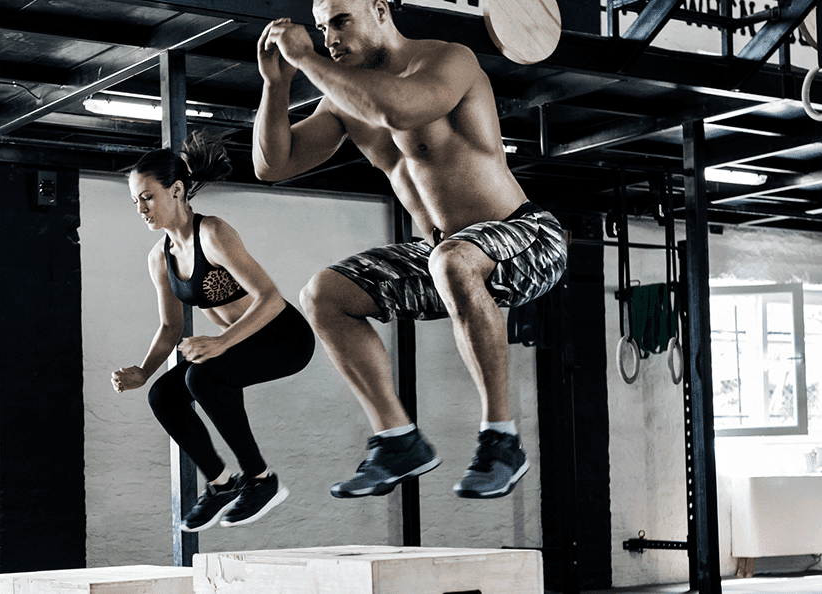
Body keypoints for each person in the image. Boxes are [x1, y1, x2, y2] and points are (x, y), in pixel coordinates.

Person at [253, 0, 568, 500]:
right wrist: (277, 84)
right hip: (445, 255)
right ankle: (399, 440)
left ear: (380, 10)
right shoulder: (342, 98)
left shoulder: (448, 60)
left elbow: (396, 108)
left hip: (525, 238)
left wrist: (307, 61)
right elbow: (273, 165)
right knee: (322, 295)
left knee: (451, 260)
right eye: (320, 29)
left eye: (341, 21)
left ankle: (501, 441)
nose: (329, 38)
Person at [112, 133, 315, 531]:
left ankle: (260, 481)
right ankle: (222, 485)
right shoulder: (160, 258)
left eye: (147, 197)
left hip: (284, 337)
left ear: (176, 190)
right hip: (234, 346)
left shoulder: (214, 234)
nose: (141, 209)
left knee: (202, 375)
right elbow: (171, 327)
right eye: (135, 201)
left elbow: (271, 298)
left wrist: (220, 341)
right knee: (163, 395)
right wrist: (144, 370)